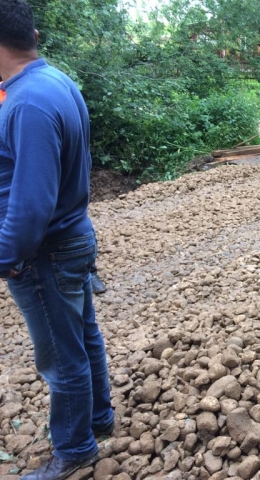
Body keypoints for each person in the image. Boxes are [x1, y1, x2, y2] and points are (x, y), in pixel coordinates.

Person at [0, 1, 114, 479]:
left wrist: (6, 257)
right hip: (72, 235)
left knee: (60, 358)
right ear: (35, 35)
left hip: (45, 250)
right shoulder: (56, 82)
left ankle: (75, 449)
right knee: (84, 335)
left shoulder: (26, 103)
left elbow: (30, 206)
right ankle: (99, 419)